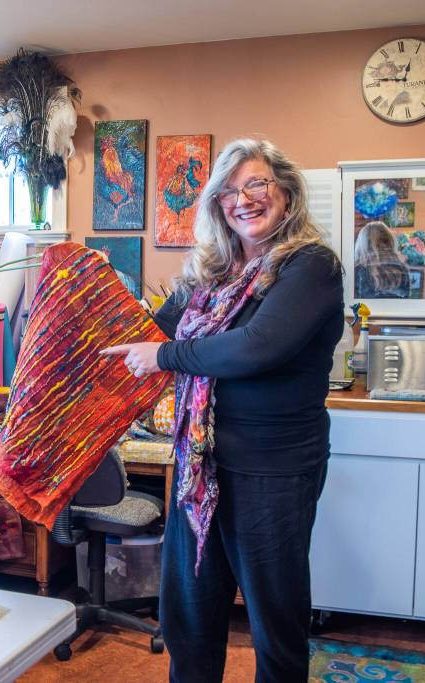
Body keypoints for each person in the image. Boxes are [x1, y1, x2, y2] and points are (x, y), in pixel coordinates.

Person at [101, 138, 344, 682]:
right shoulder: (210, 273)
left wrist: (164, 356)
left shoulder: (311, 266)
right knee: (188, 618)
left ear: (286, 193)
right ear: (217, 205)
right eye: (229, 191)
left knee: (274, 624)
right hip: (200, 467)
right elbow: (148, 331)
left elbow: (257, 347)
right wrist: (91, 305)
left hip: (273, 470)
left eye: (256, 184)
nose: (243, 200)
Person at [353, 220, 410, 298]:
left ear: (363, 245)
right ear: (390, 242)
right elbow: (406, 298)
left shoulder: (358, 270)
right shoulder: (402, 269)